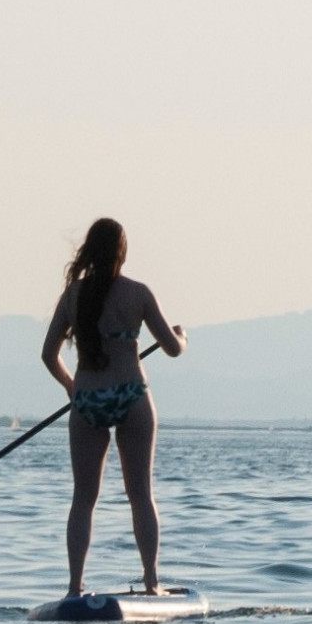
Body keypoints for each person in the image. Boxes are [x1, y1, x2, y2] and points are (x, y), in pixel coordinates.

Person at [38, 218, 185, 598]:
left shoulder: (73, 296)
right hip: (131, 395)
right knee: (141, 495)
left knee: (83, 499)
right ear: (122, 252)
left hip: (88, 399)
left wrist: (71, 387)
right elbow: (172, 349)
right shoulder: (138, 293)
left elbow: (48, 355)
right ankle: (151, 583)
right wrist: (181, 337)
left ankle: (74, 588)